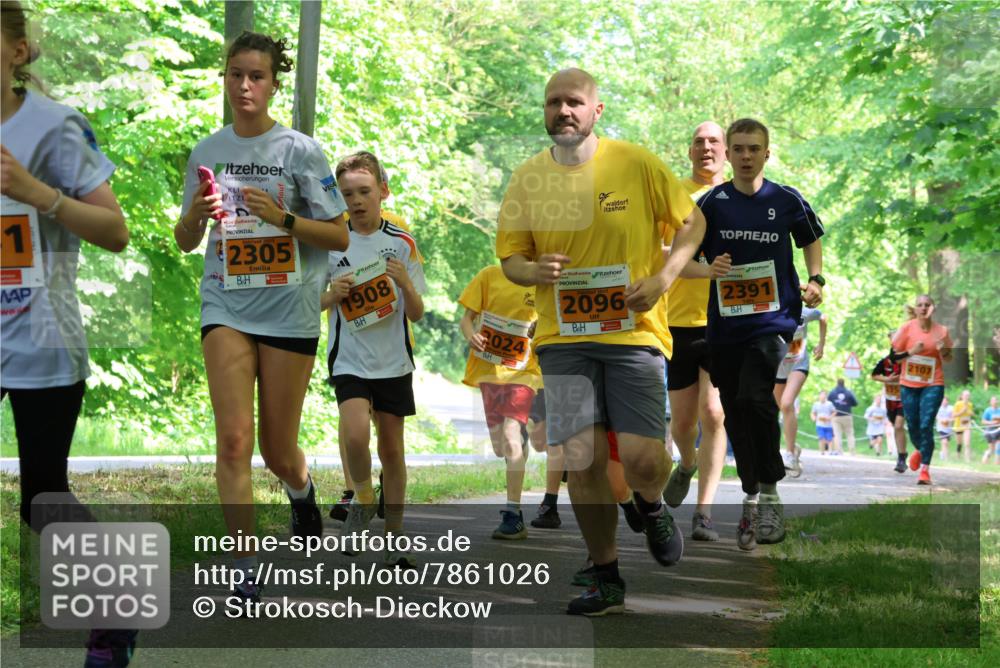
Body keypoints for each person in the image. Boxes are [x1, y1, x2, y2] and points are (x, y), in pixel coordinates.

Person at [496, 68, 706, 616]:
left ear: (596, 111)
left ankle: (654, 504)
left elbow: (693, 224)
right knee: (582, 460)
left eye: (573, 102)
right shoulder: (526, 179)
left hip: (634, 334)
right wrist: (532, 269)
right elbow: (511, 259)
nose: (562, 111)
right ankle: (606, 573)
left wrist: (664, 278)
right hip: (563, 338)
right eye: (552, 103)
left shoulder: (634, 163)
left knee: (640, 459)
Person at [175, 31, 349, 601]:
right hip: (225, 304)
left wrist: (284, 219)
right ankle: (245, 568)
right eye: (235, 75)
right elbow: (183, 239)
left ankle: (301, 489)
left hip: (289, 311)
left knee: (277, 450)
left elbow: (341, 232)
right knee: (232, 441)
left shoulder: (299, 151)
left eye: (256, 76)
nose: (244, 86)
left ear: (274, 83)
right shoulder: (206, 151)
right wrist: (196, 217)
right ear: (224, 78)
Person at [1, 4, 134, 666]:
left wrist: (36, 192)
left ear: (17, 53)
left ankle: (112, 610)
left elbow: (116, 232)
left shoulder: (51, 128)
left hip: (40, 341)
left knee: (42, 499)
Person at [688, 117, 824, 551]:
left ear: (767, 152)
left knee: (755, 398)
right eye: (739, 148)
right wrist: (708, 270)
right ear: (728, 153)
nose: (746, 156)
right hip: (726, 326)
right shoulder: (712, 203)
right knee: (735, 409)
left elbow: (810, 239)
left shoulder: (786, 199)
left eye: (754, 149)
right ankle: (752, 495)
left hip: (774, 320)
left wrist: (817, 278)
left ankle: (770, 495)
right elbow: (681, 260)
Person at [323, 151, 425, 566]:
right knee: (353, 434)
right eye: (348, 193)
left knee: (393, 451)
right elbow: (310, 301)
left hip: (393, 361)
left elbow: (417, 312)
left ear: (382, 191)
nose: (357, 200)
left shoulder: (401, 244)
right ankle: (363, 495)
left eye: (364, 191)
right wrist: (333, 294)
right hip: (349, 358)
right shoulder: (331, 241)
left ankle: (395, 538)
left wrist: (404, 283)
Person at [661, 121, 729, 542]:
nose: (706, 148)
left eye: (713, 142)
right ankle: (685, 463)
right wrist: (690, 255)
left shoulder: (740, 197)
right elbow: (657, 251)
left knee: (715, 413)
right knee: (683, 424)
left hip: (724, 320)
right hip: (678, 321)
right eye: (699, 142)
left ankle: (704, 512)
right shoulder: (674, 195)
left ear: (725, 150)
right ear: (690, 151)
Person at [458, 264, 539, 538]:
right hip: (489, 369)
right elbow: (466, 320)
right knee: (499, 447)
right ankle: (518, 442)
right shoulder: (488, 276)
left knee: (510, 434)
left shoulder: (542, 281)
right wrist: (472, 336)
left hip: (524, 372)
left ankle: (513, 514)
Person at [891, 294, 954, 485]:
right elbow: (894, 358)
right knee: (914, 424)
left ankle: (925, 470)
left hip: (933, 383)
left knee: (926, 424)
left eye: (927, 305)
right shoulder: (906, 329)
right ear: (916, 309)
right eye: (920, 305)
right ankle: (920, 450)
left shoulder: (942, 331)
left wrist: (943, 350)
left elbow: (949, 358)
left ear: (932, 308)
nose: (924, 308)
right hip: (908, 385)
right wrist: (912, 352)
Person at [773, 306, 826, 474]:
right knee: (775, 409)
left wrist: (821, 344)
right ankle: (793, 447)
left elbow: (823, 317)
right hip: (778, 367)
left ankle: (788, 455)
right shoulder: (770, 311)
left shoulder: (804, 311)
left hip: (798, 364)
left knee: (787, 404)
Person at [871, 333, 910, 472]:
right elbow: (874, 375)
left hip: (905, 399)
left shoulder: (908, 361)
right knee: (896, 427)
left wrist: (902, 380)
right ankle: (902, 454)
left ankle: (901, 458)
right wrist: (887, 380)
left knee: (899, 425)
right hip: (890, 400)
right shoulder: (885, 362)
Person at [827, 378, 858, 455]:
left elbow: (828, 402)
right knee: (850, 434)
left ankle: (839, 451)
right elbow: (855, 403)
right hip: (847, 415)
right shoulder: (848, 392)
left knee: (837, 434)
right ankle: (852, 451)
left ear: (837, 383)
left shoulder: (832, 392)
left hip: (836, 416)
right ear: (844, 383)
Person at [951, 389, 974, 463]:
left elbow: (971, 414)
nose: (967, 397)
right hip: (958, 426)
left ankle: (967, 459)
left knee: (967, 442)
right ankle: (958, 455)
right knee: (959, 443)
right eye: (966, 395)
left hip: (967, 425)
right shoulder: (958, 404)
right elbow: (953, 415)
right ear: (962, 396)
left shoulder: (970, 404)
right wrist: (962, 411)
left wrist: (969, 412)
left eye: (968, 395)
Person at [981, 396, 999, 465]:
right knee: (991, 449)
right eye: (994, 400)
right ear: (991, 402)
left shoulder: (999, 410)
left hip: (998, 431)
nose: (995, 402)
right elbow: (983, 421)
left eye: (996, 400)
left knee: (998, 447)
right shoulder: (988, 410)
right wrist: (992, 423)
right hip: (990, 431)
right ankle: (985, 459)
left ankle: (997, 462)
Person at [936, 396, 953, 461]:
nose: (944, 402)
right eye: (943, 401)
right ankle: (946, 458)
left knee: (946, 443)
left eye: (946, 401)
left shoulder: (951, 408)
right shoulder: (938, 408)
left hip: (948, 428)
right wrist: (942, 421)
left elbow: (953, 417)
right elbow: (936, 417)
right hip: (941, 428)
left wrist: (948, 420)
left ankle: (942, 453)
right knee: (944, 442)